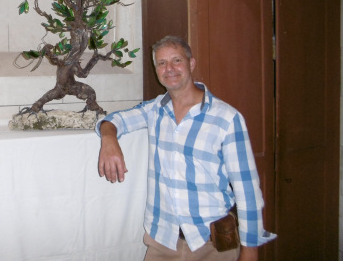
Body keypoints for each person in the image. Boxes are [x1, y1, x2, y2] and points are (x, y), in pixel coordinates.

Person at [96, 35, 276, 261]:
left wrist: (250, 252)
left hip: (211, 244)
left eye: (176, 60)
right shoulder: (154, 110)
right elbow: (114, 120)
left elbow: (247, 191)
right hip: (162, 241)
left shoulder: (226, 118)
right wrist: (109, 140)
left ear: (191, 63)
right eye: (162, 63)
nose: (169, 68)